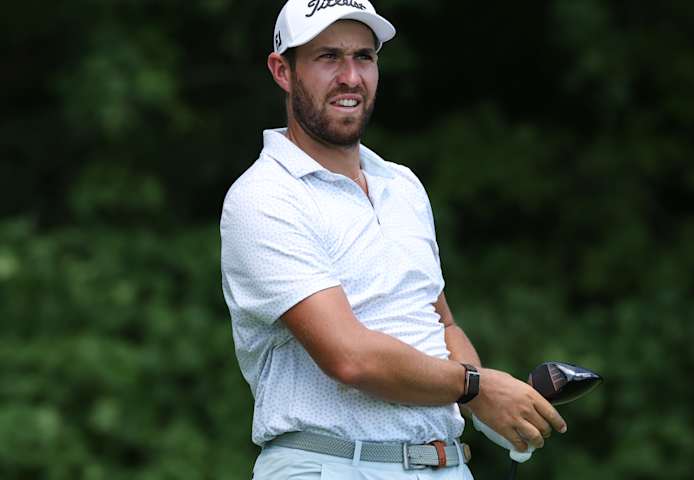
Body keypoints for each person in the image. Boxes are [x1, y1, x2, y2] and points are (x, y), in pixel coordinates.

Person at [220, 1, 566, 478]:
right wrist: (475, 386)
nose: (350, 76)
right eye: (328, 57)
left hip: (446, 465)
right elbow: (350, 357)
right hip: (331, 464)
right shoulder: (263, 197)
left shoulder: (401, 184)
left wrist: (482, 404)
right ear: (282, 70)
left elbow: (440, 322)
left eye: (364, 57)